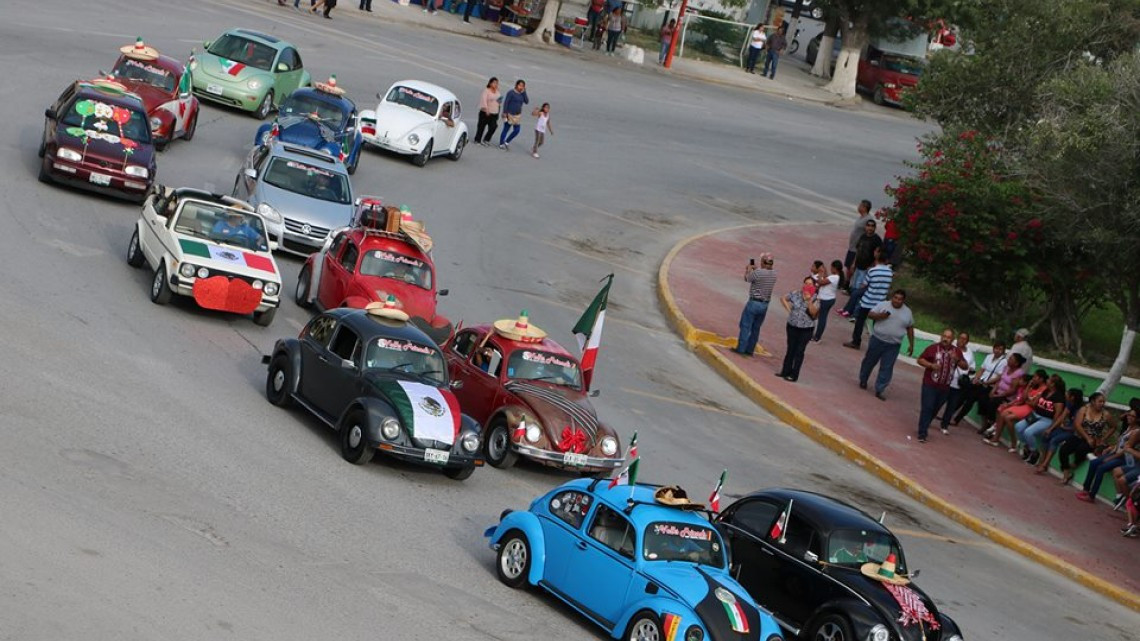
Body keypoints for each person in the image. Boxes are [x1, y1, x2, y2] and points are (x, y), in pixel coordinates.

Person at [857, 289, 914, 400]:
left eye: (900, 299)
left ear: (903, 300)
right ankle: (863, 380)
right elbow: (870, 314)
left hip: (893, 345)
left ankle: (880, 389)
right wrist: (880, 316)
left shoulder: (907, 312)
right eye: (895, 298)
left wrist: (911, 344)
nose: (897, 301)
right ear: (892, 297)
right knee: (869, 361)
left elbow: (910, 327)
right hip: (877, 340)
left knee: (887, 367)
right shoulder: (883, 305)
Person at [915, 329, 969, 443]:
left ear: (953, 340)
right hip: (930, 384)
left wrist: (957, 359)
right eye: (944, 336)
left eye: (948, 337)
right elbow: (920, 360)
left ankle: (925, 425)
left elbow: (965, 366)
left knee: (934, 409)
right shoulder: (933, 348)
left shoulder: (956, 351)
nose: (945, 339)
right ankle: (922, 433)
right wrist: (930, 365)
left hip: (945, 387)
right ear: (941, 336)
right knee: (927, 407)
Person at [1057, 392, 1115, 485]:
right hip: (1080, 435)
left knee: (1082, 449)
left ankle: (1075, 464)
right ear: (1092, 401)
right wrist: (1087, 437)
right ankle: (1066, 474)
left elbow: (1113, 427)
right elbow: (1077, 424)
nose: (1102, 404)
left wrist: (1103, 438)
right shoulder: (1084, 409)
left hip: (1094, 440)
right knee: (1063, 450)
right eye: (1100, 401)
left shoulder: (1106, 414)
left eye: (1103, 402)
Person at [1076, 419, 1139, 502]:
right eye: (1128, 415)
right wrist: (1110, 448)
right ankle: (1086, 489)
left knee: (1101, 468)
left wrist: (1111, 458)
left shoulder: (1136, 432)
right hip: (1115, 453)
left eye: (1131, 416)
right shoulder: (1128, 428)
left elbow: (1126, 449)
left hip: (1124, 458)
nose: (1128, 417)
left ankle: (1092, 496)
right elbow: (1120, 444)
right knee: (1094, 462)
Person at [984, 369, 1047, 449]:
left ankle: (1014, 441)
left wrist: (1027, 400)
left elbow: (1034, 404)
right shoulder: (1033, 386)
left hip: (1031, 409)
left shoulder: (1043, 389)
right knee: (1002, 412)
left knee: (1008, 417)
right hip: (1025, 405)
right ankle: (996, 438)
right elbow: (1024, 398)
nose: (1033, 379)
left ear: (1041, 379)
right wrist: (1028, 386)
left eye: (1035, 377)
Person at [1013, 374, 1067, 465]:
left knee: (1028, 432)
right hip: (1035, 415)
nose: (1047, 381)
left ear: (1053, 384)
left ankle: (1034, 452)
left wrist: (1051, 428)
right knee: (1018, 426)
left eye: (1049, 380)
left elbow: (1057, 414)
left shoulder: (1059, 397)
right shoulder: (1045, 391)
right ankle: (1027, 446)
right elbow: (1035, 403)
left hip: (1046, 419)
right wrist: (1029, 388)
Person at [950, 342, 1008, 426]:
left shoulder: (1004, 361)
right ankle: (950, 414)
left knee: (971, 400)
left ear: (1003, 351)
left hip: (988, 385)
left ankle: (957, 420)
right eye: (996, 348)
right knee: (963, 396)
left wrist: (986, 382)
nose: (998, 351)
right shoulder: (989, 357)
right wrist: (976, 378)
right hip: (980, 381)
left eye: (1000, 349)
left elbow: (999, 377)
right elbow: (981, 369)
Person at [844, 248, 892, 350]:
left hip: (868, 300)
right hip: (880, 302)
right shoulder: (889, 272)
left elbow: (864, 285)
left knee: (860, 321)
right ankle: (875, 345)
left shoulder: (872, 271)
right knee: (877, 324)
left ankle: (856, 341)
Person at [776, 277, 819, 382]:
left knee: (799, 351)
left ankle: (794, 374)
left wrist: (809, 301)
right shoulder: (796, 293)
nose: (807, 286)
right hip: (792, 326)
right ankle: (785, 370)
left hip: (806, 329)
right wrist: (789, 309)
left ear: (814, 286)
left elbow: (814, 313)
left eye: (810, 284)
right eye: (805, 283)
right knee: (790, 348)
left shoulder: (816, 298)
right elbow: (783, 298)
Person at [733, 254, 777, 357]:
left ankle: (741, 348)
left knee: (745, 325)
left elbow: (747, 278)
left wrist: (748, 269)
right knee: (756, 328)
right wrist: (756, 269)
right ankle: (750, 350)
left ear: (763, 262)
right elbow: (763, 274)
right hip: (765, 304)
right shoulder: (774, 274)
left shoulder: (758, 273)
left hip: (754, 302)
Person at [1034, 388, 1084, 474]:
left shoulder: (1080, 410)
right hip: (1065, 427)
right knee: (1046, 435)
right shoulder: (1069, 404)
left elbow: (1077, 427)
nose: (1066, 394)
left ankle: (1045, 465)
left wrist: (1065, 428)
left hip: (1073, 432)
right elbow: (1061, 417)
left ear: (1072, 397)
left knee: (1054, 440)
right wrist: (1050, 429)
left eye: (1068, 394)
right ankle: (1042, 459)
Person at [840, 219, 882, 318]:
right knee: (854, 288)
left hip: (866, 269)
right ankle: (849, 309)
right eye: (868, 225)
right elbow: (858, 251)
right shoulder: (863, 236)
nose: (870, 228)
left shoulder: (877, 240)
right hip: (858, 267)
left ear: (875, 228)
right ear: (865, 227)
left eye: (872, 226)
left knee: (859, 291)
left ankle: (854, 313)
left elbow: (878, 255)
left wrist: (871, 267)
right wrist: (853, 263)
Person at [976, 353, 1026, 432]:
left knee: (993, 403)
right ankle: (985, 424)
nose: (1008, 360)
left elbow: (1013, 389)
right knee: (983, 399)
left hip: (1007, 396)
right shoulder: (1006, 368)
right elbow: (999, 380)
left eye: (1011, 359)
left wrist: (999, 395)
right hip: (998, 391)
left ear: (1016, 363)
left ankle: (992, 425)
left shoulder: (1018, 373)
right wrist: (993, 390)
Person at [940, 332, 976, 434]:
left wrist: (969, 373)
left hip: (958, 383)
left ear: (967, 341)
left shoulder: (970, 353)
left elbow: (972, 367)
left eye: (965, 339)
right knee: (940, 402)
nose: (962, 340)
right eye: (960, 338)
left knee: (952, 405)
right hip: (946, 380)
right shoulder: (951, 348)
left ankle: (944, 425)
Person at [843, 200, 874, 289]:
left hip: (857, 249)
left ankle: (848, 285)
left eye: (860, 205)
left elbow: (869, 233)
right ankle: (847, 283)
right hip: (852, 246)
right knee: (848, 266)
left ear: (864, 207)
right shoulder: (861, 217)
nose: (858, 207)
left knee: (851, 267)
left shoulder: (868, 219)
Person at [811, 260, 843, 341]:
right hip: (828, 299)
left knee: (822, 318)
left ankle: (817, 337)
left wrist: (820, 273)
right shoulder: (835, 277)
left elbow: (820, 282)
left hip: (826, 299)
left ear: (835, 268)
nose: (830, 269)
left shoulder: (834, 277)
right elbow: (825, 279)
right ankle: (816, 335)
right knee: (820, 316)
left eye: (831, 267)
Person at [498, 80, 528, 151]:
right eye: (520, 85)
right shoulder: (511, 93)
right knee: (506, 129)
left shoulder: (522, 94)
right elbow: (506, 102)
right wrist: (505, 112)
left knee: (517, 130)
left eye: (522, 86)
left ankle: (507, 141)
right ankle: (501, 144)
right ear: (516, 85)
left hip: (517, 116)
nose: (521, 87)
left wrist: (524, 92)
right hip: (510, 114)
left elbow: (526, 101)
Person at [475, 77, 501, 146]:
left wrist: (498, 111)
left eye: (497, 83)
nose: (495, 84)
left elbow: (499, 101)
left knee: (494, 126)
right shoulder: (486, 91)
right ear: (490, 83)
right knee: (481, 126)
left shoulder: (497, 92)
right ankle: (477, 140)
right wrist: (486, 110)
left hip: (494, 113)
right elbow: (483, 100)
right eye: (494, 83)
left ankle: (486, 139)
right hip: (485, 112)